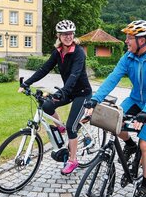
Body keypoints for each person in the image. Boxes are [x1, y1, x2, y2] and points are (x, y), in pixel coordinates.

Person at [84, 20, 146, 197]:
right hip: (135, 100)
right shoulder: (128, 57)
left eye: (130, 38)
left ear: (143, 40)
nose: (126, 41)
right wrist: (95, 99)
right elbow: (113, 77)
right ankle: (130, 145)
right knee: (114, 123)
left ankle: (145, 187)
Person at [19, 20, 92, 175]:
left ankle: (73, 160)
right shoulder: (58, 52)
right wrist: (27, 83)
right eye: (65, 34)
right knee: (46, 105)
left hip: (82, 93)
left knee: (72, 126)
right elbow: (44, 69)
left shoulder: (78, 52)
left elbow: (74, 75)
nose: (68, 36)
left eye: (71, 33)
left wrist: (62, 92)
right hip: (68, 91)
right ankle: (60, 127)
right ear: (59, 36)